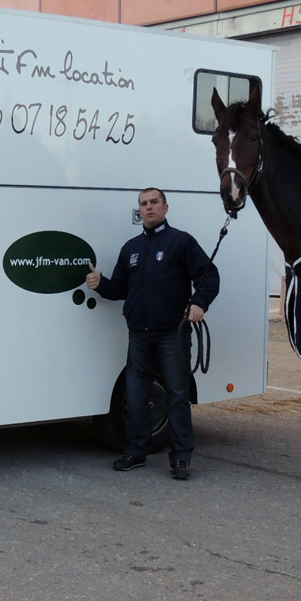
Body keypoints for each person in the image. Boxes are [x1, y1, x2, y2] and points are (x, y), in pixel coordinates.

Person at [87, 187, 219, 480]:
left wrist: (199, 303)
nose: (149, 208)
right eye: (144, 204)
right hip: (139, 333)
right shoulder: (131, 248)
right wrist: (101, 283)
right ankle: (136, 452)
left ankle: (181, 458)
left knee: (176, 395)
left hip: (172, 333)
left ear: (165, 207)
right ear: (140, 210)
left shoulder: (181, 242)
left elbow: (210, 276)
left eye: (154, 202)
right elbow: (121, 288)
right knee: (135, 394)